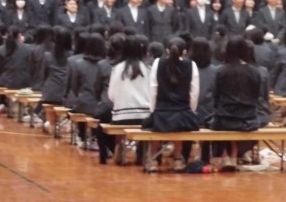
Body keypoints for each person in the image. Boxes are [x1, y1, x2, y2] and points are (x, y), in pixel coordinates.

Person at [144, 37, 199, 172]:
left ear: (167, 50)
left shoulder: (158, 63)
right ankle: (177, 159)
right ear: (184, 52)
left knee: (156, 126)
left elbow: (153, 89)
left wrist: (153, 111)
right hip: (183, 113)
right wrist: (191, 111)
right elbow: (194, 92)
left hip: (161, 112)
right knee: (179, 125)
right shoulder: (191, 65)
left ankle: (153, 160)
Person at [99, 36, 152, 164]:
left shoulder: (117, 69)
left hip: (121, 117)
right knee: (147, 120)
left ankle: (120, 146)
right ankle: (142, 152)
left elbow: (111, 95)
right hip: (144, 117)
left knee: (113, 117)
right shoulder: (148, 69)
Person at [211, 36, 261, 169]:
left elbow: (216, 95)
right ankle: (234, 155)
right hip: (248, 120)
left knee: (217, 121)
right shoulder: (254, 71)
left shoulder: (220, 70)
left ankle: (225, 156)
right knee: (231, 121)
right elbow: (256, 95)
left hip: (225, 118)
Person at [0, 27, 33, 116]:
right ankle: (17, 106)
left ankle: (0, 104)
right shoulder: (28, 48)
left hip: (7, 81)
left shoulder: (1, 49)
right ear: (19, 36)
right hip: (25, 81)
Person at [40, 26, 73, 130]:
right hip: (67, 96)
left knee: (51, 124)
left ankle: (52, 125)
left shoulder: (47, 55)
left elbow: (43, 76)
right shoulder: (73, 57)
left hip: (50, 94)